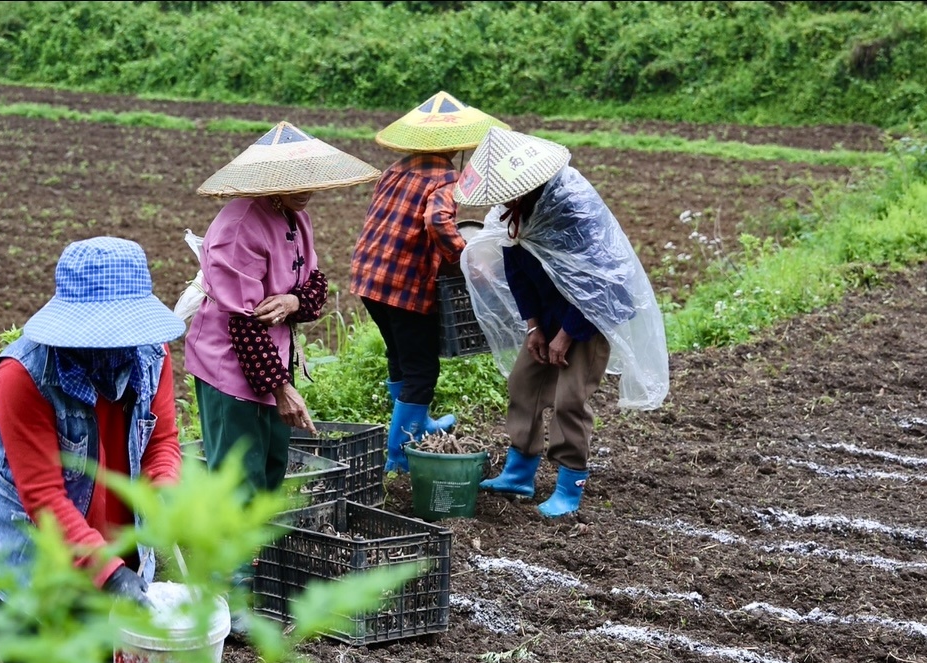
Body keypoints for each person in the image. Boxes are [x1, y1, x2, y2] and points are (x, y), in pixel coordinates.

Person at [0, 236, 186, 663]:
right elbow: (44, 497)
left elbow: (162, 440)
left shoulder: (151, 355)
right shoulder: (23, 376)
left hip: (118, 562)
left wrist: (163, 494)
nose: (115, 345)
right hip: (30, 569)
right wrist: (109, 574)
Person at [455, 127, 669, 517]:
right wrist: (534, 327)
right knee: (524, 382)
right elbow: (518, 273)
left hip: (589, 316)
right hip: (549, 315)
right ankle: (520, 470)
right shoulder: (513, 214)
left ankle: (571, 483)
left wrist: (567, 335)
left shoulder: (570, 208)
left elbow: (597, 282)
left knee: (570, 398)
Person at [186, 121, 379, 500]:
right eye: (293, 181)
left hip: (272, 360)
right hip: (232, 367)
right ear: (268, 177)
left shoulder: (297, 216)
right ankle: (236, 559)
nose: (305, 191)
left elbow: (316, 286)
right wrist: (282, 389)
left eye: (309, 179)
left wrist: (292, 301)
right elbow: (243, 323)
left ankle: (260, 555)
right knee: (238, 482)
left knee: (272, 468)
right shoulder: (239, 226)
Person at [349, 91, 510, 474]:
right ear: (458, 146)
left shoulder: (395, 169)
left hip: (369, 276)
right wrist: (464, 259)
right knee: (422, 370)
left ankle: (417, 423)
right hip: (404, 283)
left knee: (400, 356)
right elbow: (437, 221)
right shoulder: (448, 178)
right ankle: (400, 455)